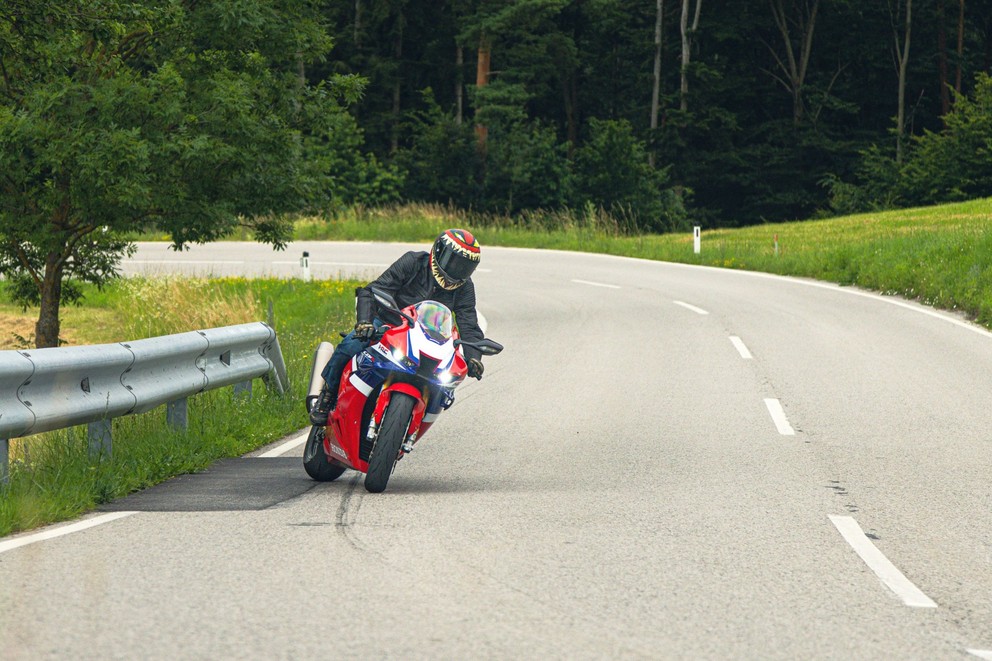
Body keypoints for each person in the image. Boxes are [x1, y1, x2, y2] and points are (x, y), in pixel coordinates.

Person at [309, 228, 486, 425]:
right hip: (389, 323)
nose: (457, 271)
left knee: (444, 382)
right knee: (351, 344)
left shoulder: (465, 287)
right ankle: (327, 394)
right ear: (438, 251)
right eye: (453, 262)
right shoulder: (413, 262)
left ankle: (413, 421)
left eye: (464, 267)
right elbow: (374, 289)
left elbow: (469, 323)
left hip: (430, 339)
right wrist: (364, 322)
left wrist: (474, 358)